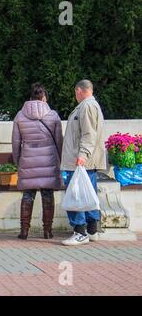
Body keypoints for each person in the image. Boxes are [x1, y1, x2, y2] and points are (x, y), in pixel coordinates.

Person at [12, 83, 63, 240]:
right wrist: (59, 159)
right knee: (47, 195)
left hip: (28, 159)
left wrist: (18, 161)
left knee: (27, 195)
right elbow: (59, 141)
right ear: (44, 98)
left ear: (30, 97)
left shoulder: (20, 116)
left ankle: (24, 231)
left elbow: (15, 143)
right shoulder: (53, 115)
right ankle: (47, 231)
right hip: (49, 159)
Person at [61, 79, 106, 246]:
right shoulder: (91, 106)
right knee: (88, 193)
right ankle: (92, 229)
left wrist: (83, 155)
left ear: (79, 90)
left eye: (75, 93)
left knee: (76, 194)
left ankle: (80, 231)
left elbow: (88, 134)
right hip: (86, 161)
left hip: (80, 160)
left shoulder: (86, 106)